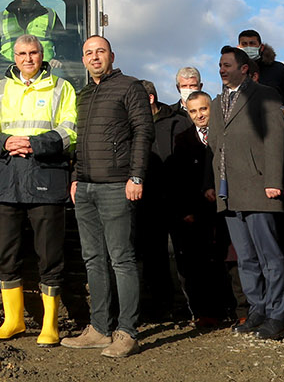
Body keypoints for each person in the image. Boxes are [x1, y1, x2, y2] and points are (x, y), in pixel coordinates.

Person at [0, 33, 78, 346]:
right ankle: (14, 320)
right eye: (22, 54)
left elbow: (69, 130)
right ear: (15, 57)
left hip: (47, 178)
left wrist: (34, 144)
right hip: (9, 179)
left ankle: (50, 324)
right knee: (7, 253)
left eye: (33, 53)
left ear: (42, 54)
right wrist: (6, 142)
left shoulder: (62, 87)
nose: (28, 59)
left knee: (49, 254)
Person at [60, 36, 149, 357]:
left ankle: (127, 332)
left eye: (100, 51)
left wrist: (136, 176)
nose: (94, 57)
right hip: (85, 187)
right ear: (83, 59)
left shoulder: (130, 87)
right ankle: (99, 329)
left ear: (112, 55)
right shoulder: (83, 94)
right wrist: (75, 178)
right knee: (93, 259)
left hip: (116, 186)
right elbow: (79, 141)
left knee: (121, 259)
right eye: (89, 53)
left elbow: (143, 132)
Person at [207, 46, 284, 340]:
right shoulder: (217, 103)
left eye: (227, 64)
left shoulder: (265, 95)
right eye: (220, 65)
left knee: (270, 257)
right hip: (229, 191)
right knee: (245, 257)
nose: (222, 69)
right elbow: (215, 143)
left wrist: (273, 180)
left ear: (244, 68)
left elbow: (275, 138)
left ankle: (276, 315)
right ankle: (257, 310)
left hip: (259, 187)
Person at [137, 78, 193, 324]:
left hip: (177, 198)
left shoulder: (178, 122)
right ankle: (161, 306)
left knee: (186, 255)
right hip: (148, 201)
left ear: (150, 99)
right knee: (153, 257)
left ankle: (195, 307)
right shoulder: (134, 126)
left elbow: (189, 163)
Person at [177, 90, 233, 328]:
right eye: (193, 111)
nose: (199, 115)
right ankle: (207, 312)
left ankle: (238, 309)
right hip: (198, 210)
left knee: (230, 259)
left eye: (203, 109)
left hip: (227, 206)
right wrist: (186, 210)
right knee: (200, 262)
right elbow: (179, 179)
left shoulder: (227, 132)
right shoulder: (182, 139)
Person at [0, 0, 64, 64]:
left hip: (43, 70)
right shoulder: (1, 17)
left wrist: (60, 58)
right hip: (7, 69)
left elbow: (64, 43)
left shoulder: (49, 15)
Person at [238, 30, 284, 105]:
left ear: (261, 47)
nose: (248, 47)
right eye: (244, 44)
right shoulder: (234, 73)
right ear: (239, 47)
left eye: (252, 43)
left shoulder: (278, 69)